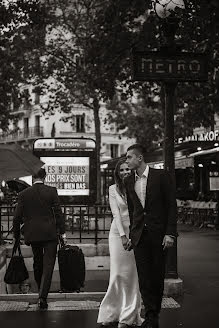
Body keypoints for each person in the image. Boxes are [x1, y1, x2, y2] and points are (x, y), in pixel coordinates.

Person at [124, 144, 177, 328]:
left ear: (140, 158)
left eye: (129, 157)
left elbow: (171, 206)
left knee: (156, 276)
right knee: (144, 277)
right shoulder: (128, 181)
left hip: (159, 234)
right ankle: (151, 315)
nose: (127, 160)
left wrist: (170, 233)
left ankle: (154, 313)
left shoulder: (161, 177)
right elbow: (133, 211)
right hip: (140, 236)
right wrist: (132, 234)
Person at [97, 159, 143, 328]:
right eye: (121, 170)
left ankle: (129, 315)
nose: (125, 172)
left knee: (132, 276)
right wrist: (123, 236)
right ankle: (110, 313)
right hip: (117, 234)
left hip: (136, 233)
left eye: (127, 169)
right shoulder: (112, 189)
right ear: (117, 173)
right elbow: (116, 214)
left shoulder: (137, 187)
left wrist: (133, 235)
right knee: (116, 275)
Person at [13, 168, 66, 309]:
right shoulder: (51, 191)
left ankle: (39, 290)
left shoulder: (24, 194)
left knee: (38, 262)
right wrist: (63, 231)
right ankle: (42, 297)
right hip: (50, 234)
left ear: (32, 177)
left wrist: (16, 235)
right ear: (45, 177)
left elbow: (17, 217)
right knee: (48, 266)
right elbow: (58, 213)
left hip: (33, 234)